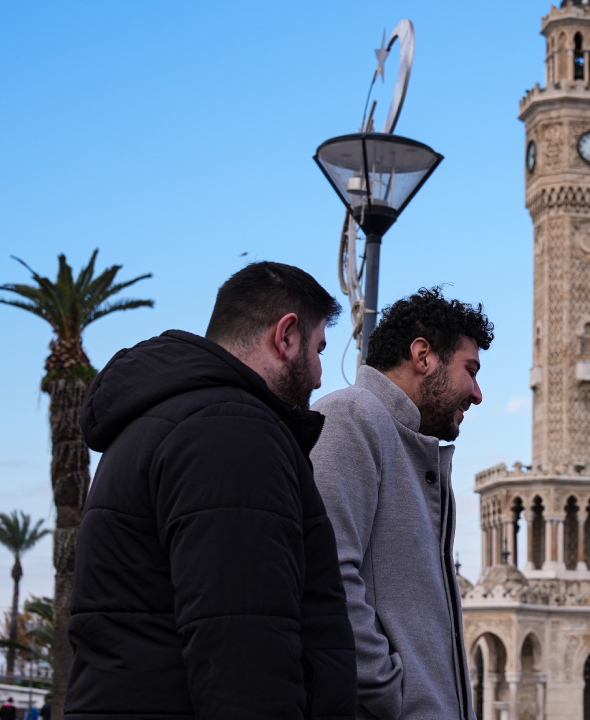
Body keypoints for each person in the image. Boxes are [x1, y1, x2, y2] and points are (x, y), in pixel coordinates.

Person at [68, 262, 357, 719]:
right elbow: (244, 654)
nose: (321, 375)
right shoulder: (232, 432)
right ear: (286, 336)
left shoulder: (162, 421)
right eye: (319, 348)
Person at [311, 287, 492, 720]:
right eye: (470, 371)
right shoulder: (351, 418)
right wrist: (389, 693)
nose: (478, 393)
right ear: (423, 356)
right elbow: (326, 574)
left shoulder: (407, 444)